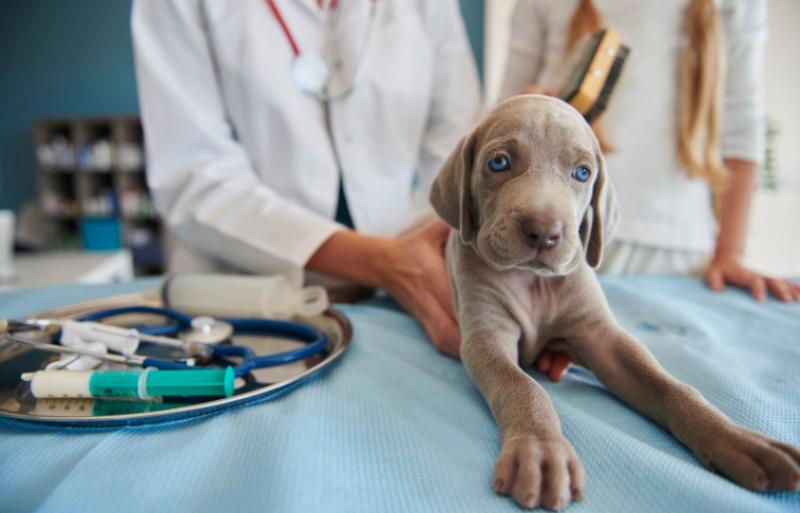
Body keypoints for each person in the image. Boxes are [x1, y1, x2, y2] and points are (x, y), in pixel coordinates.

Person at [132, 0, 481, 358]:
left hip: (400, 298)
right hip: (245, 303)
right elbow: (193, 176)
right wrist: (387, 263)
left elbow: (459, 154)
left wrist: (436, 255)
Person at [500, 0, 799, 381]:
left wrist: (731, 253)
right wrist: (525, 109)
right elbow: (502, 111)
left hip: (677, 258)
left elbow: (740, 126)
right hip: (557, 241)